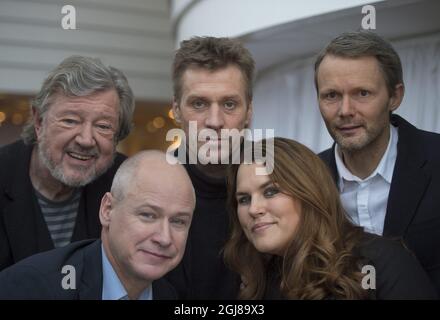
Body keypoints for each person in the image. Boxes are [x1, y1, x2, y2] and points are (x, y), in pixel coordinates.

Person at [224, 137, 437, 299]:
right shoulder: (257, 282)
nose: (254, 209)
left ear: (309, 193)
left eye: (270, 192)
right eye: (243, 199)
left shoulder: (380, 264)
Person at [315, 31, 440, 294]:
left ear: (395, 96)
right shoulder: (307, 181)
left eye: (362, 93)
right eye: (331, 95)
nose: (345, 110)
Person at [0, 55, 135, 271]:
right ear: (38, 121)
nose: (86, 140)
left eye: (103, 126)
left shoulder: (128, 183)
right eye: (70, 121)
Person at [0, 150, 195, 299]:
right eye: (148, 215)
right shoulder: (34, 286)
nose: (164, 238)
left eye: (178, 221)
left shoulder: (169, 294)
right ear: (107, 210)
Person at [165, 36, 254, 299]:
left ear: (249, 111)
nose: (215, 121)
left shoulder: (280, 186)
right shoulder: (149, 189)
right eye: (199, 104)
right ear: (177, 110)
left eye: (229, 104)